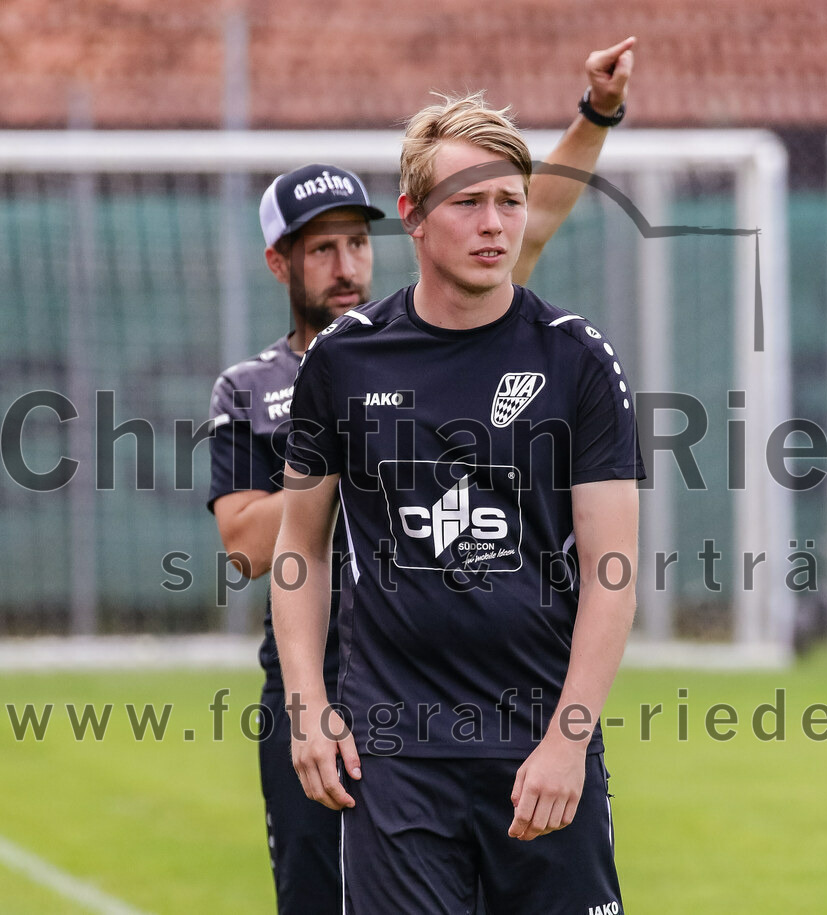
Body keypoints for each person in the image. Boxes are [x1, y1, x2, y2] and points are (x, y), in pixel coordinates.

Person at [207, 38, 635, 914]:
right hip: (393, 751)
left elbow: (612, 570)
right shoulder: (341, 362)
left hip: (538, 737)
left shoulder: (578, 358)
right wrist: (308, 704)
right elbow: (295, 549)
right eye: (467, 202)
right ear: (414, 216)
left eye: (509, 202)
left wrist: (569, 738)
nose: (494, 223)